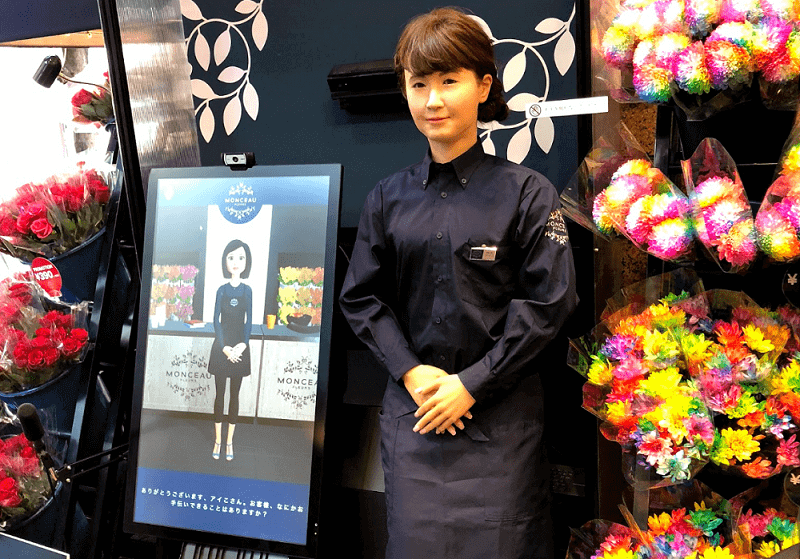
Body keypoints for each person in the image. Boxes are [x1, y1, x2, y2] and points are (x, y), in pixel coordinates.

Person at [338, 7, 578, 559]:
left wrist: (472, 382)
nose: (433, 100)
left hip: (501, 426)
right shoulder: (386, 198)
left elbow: (550, 303)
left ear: (483, 86)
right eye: (419, 84)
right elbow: (361, 298)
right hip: (417, 416)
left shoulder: (528, 193)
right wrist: (411, 370)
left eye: (449, 81)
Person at [207, 239, 253, 461]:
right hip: (221, 346)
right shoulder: (221, 290)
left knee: (235, 395)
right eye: (231, 257)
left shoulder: (248, 290)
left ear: (246, 262)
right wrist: (224, 347)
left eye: (241, 257)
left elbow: (249, 321)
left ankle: (229, 441)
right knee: (220, 395)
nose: (236, 262)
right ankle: (218, 440)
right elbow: (216, 320)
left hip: (240, 347)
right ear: (225, 261)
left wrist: (243, 345)